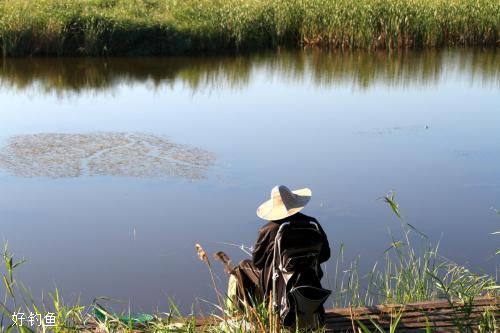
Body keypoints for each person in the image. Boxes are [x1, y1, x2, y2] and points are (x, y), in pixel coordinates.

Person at [227, 185, 330, 324]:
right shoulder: (312, 224)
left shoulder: (267, 230)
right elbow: (325, 255)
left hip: (275, 285)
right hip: (309, 280)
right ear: (295, 203)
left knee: (242, 267)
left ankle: (243, 318)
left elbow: (257, 263)